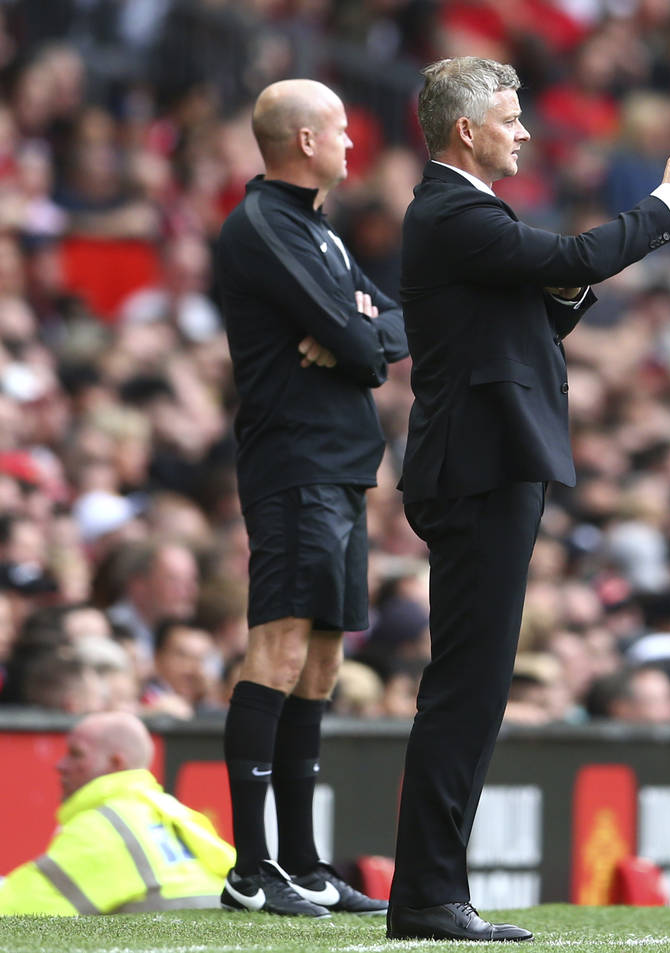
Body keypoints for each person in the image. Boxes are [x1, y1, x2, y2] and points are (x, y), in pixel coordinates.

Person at [388, 56, 670, 942]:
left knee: (476, 685)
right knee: (467, 687)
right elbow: (574, 256)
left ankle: (431, 890)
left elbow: (540, 306)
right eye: (510, 115)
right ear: (467, 129)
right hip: (479, 469)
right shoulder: (455, 210)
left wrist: (563, 284)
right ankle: (424, 896)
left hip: (488, 465)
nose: (525, 130)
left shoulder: (463, 212)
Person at [214, 78, 408, 917]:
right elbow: (366, 351)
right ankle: (250, 869)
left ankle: (303, 860)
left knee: (324, 658)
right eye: (339, 132)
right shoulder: (262, 226)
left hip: (341, 462)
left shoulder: (318, 229)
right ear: (303, 141)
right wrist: (358, 335)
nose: (351, 146)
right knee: (281, 647)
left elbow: (391, 327)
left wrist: (359, 329)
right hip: (293, 460)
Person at [0, 712, 234, 916]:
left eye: (75, 754)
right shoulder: (176, 812)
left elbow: (15, 909)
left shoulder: (103, 827)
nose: (60, 765)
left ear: (115, 762)